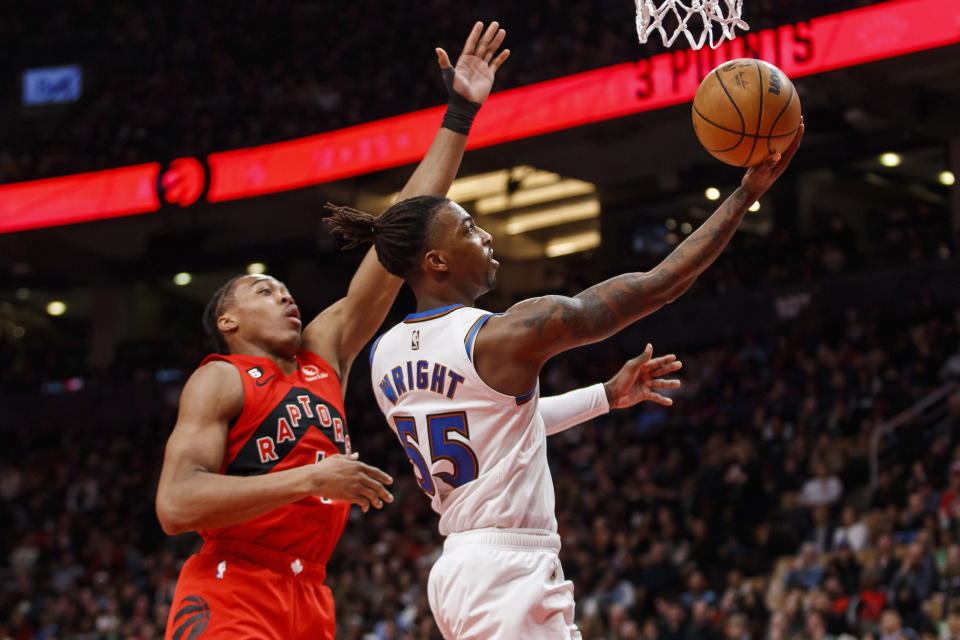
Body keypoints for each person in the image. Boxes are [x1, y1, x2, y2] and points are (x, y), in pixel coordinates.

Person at [327, 121, 803, 638]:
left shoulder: (383, 356)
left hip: (459, 569)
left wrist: (603, 396)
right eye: (467, 228)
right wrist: (745, 195)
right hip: (509, 570)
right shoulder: (502, 336)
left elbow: (500, 427)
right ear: (435, 260)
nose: (484, 235)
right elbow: (660, 286)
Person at [154, 22, 510, 640]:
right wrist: (312, 478)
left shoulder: (326, 353)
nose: (284, 294)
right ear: (228, 321)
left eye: (285, 288)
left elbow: (402, 229)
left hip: (311, 594)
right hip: (231, 587)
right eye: (263, 291)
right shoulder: (221, 379)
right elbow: (176, 505)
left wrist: (459, 114)